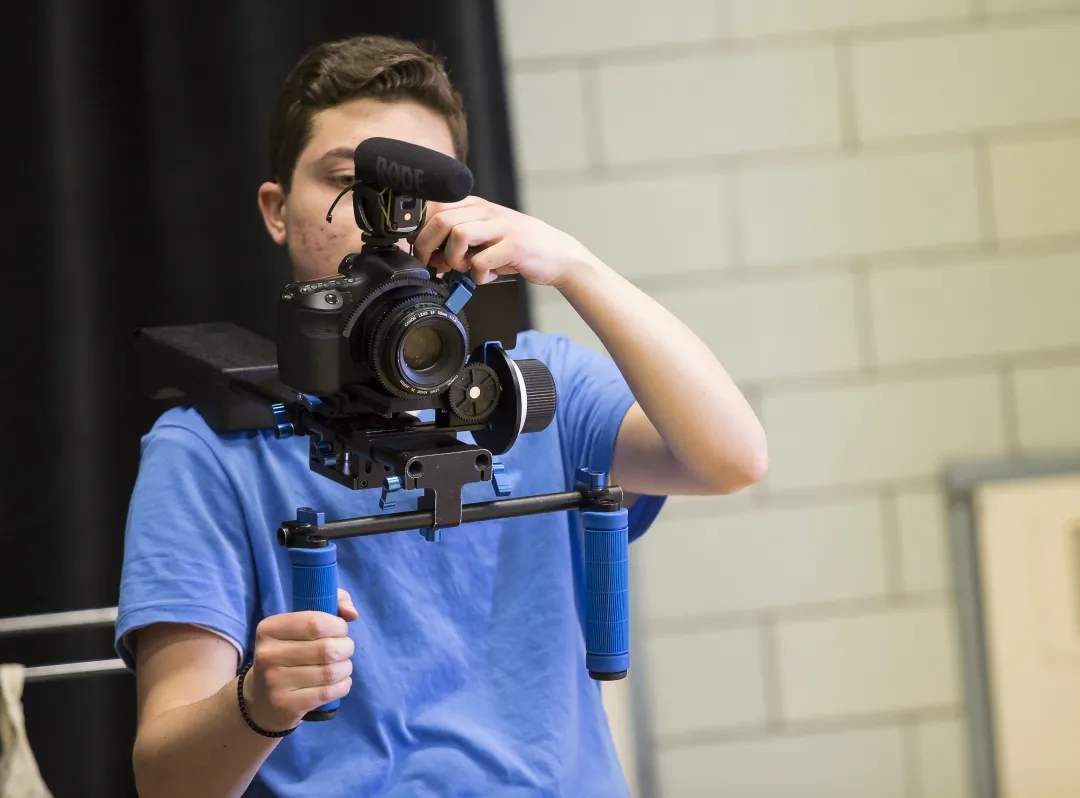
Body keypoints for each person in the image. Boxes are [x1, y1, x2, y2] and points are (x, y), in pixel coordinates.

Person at [116, 34, 768, 798]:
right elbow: (167, 780)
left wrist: (573, 265)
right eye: (347, 184)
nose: (384, 223)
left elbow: (732, 460)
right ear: (277, 211)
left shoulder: (532, 387)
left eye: (413, 191)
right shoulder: (210, 449)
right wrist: (257, 704)